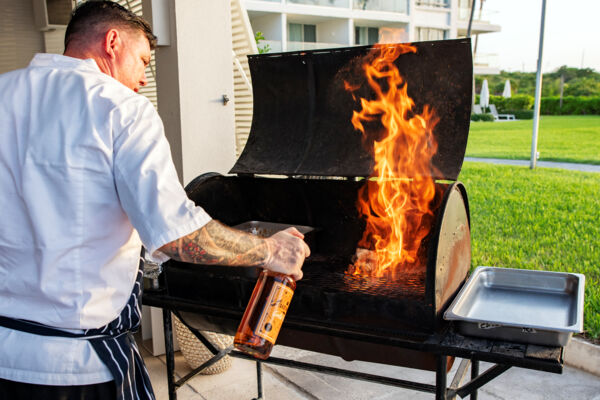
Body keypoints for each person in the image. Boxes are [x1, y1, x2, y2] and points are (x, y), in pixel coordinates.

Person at [0, 2, 310, 400]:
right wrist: (270, 250)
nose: (143, 80)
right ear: (112, 42)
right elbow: (176, 235)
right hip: (74, 369)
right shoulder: (121, 109)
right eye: (143, 61)